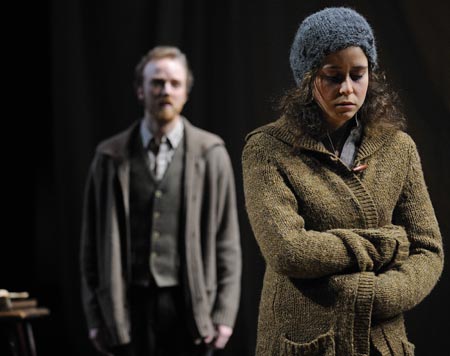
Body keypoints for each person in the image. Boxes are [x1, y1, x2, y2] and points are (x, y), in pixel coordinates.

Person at [242, 7, 443, 356]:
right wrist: (385, 243)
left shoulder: (398, 148)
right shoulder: (267, 149)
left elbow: (428, 249)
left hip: (381, 338)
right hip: (302, 342)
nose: (347, 89)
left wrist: (380, 296)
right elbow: (288, 250)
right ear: (307, 78)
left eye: (358, 74)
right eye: (333, 76)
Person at [80, 46, 241, 356]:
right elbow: (90, 248)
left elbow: (228, 241)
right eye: (156, 83)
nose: (165, 90)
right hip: (128, 308)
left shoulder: (211, 154)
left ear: (186, 93)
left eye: (175, 84)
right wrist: (95, 317)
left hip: (190, 305)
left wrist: (224, 315)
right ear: (140, 90)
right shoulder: (109, 157)